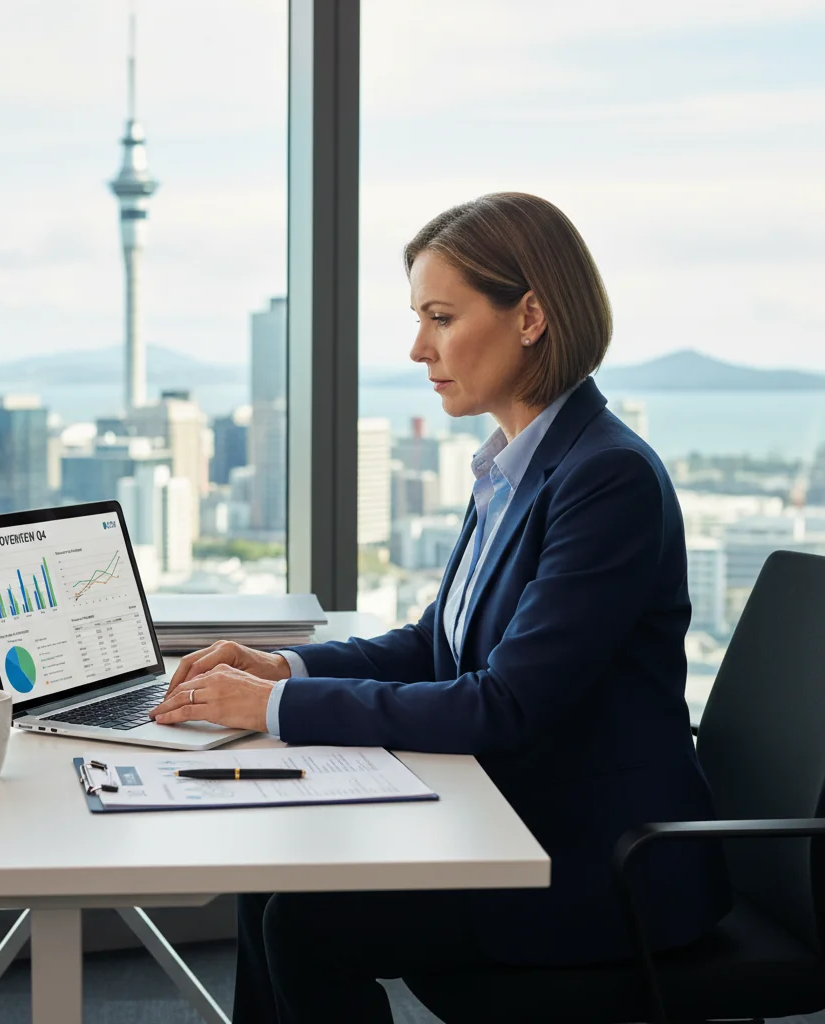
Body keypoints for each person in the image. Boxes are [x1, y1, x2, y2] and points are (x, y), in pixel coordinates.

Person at [149, 192, 729, 1024]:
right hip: (508, 815)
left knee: (310, 924)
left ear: (530, 314)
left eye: (441, 317)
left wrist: (274, 707)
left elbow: (504, 702)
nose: (419, 348)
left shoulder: (607, 479)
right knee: (270, 874)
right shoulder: (515, 465)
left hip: (591, 861)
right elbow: (438, 643)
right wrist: (285, 666)